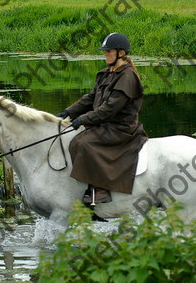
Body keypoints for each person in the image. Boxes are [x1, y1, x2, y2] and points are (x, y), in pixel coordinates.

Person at [57, 32, 148, 204]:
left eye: (109, 51)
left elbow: (109, 109)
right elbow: (90, 98)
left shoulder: (127, 77)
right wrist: (68, 112)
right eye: (105, 52)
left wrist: (83, 120)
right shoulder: (108, 72)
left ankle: (101, 190)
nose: (105, 54)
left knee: (84, 143)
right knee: (74, 141)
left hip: (120, 128)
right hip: (105, 124)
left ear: (120, 53)